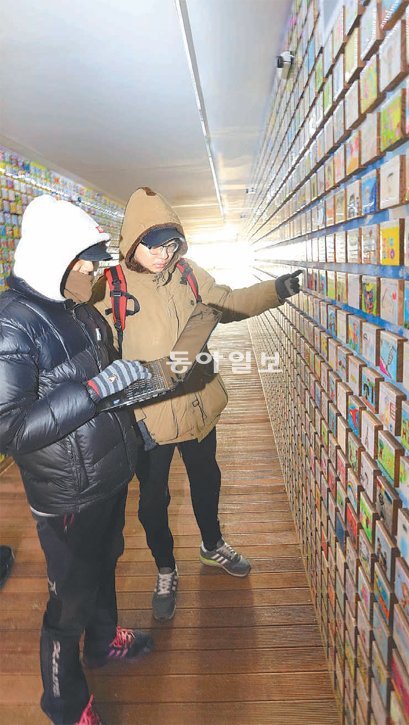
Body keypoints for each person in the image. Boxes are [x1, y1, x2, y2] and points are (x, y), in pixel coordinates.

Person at [95, 186, 300, 622]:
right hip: (148, 418)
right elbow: (95, 353)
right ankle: (165, 569)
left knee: (207, 479)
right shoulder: (110, 288)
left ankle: (212, 544)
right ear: (132, 242)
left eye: (171, 245)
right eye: (154, 246)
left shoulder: (188, 273)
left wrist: (277, 289)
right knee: (153, 501)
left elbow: (229, 301)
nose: (164, 255)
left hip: (198, 405)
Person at [0, 194, 154, 725]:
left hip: (107, 473)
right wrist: (94, 390)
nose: (93, 270)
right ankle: (65, 704)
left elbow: (98, 384)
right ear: (55, 257)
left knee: (105, 562)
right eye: (86, 260)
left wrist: (129, 405)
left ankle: (104, 639)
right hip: (67, 493)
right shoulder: (12, 324)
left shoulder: (78, 309)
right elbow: (11, 428)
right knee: (68, 602)